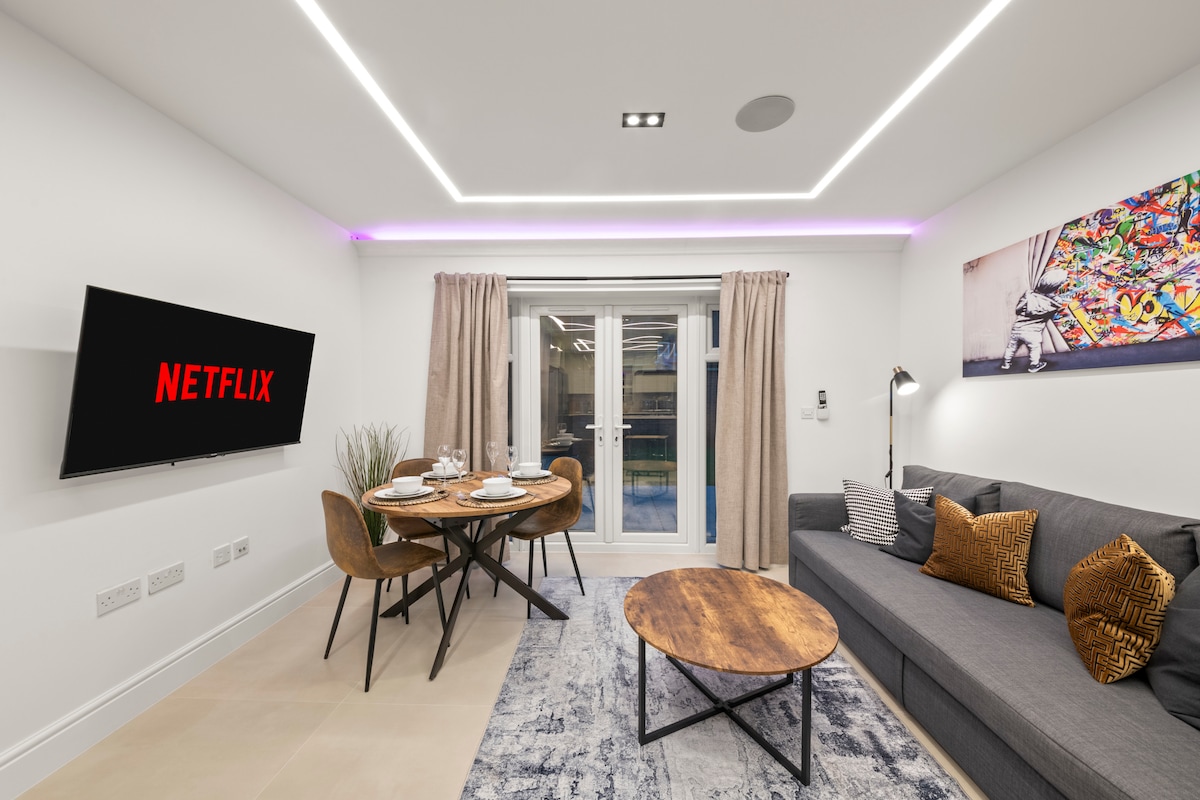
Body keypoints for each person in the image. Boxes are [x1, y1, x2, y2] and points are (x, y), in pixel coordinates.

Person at [1001, 269, 1068, 373]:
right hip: (1034, 332)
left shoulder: (1029, 295)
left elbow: (1018, 310)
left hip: (1018, 328)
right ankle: (1034, 365)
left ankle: (1006, 363)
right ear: (1057, 286)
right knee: (1034, 349)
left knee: (1011, 347)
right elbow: (1048, 315)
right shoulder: (1056, 302)